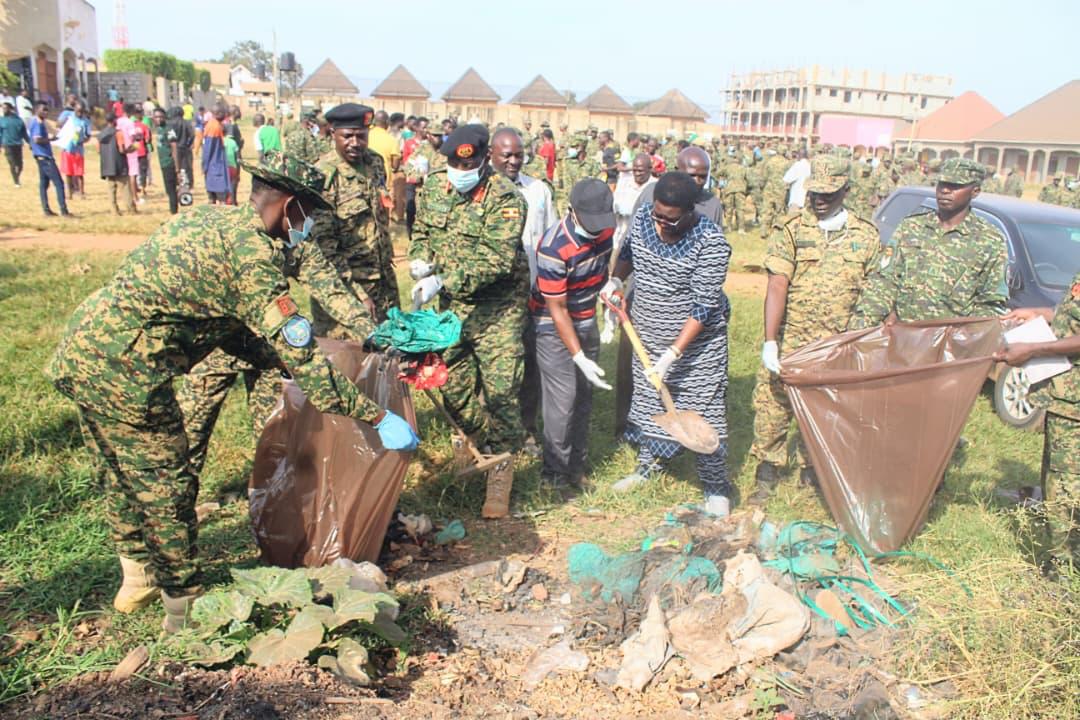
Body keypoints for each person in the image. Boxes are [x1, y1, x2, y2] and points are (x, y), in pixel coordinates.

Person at [45, 153, 418, 633]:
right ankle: (184, 612)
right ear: (289, 207)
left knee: (120, 472)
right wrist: (378, 417)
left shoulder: (211, 220)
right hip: (128, 373)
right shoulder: (253, 261)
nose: (308, 228)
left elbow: (224, 322)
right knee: (166, 485)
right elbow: (305, 360)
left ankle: (137, 578)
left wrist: (288, 355)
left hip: (85, 350)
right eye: (308, 215)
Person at [409, 124, 528, 519]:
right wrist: (420, 259)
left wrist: (443, 280)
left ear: (483, 160)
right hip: (453, 308)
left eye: (469, 164)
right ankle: (475, 441)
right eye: (455, 164)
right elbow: (422, 229)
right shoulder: (434, 186)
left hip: (499, 309)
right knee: (449, 382)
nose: (461, 171)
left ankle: (500, 475)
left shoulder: (507, 198)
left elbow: (496, 260)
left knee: (501, 394)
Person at [750, 155, 882, 500]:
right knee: (773, 406)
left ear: (846, 190)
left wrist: (860, 341)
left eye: (829, 194)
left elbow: (874, 292)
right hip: (792, 338)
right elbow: (777, 284)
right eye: (815, 193)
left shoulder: (866, 235)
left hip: (837, 345)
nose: (820, 200)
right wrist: (770, 341)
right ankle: (767, 470)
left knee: (827, 409)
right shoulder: (792, 228)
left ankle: (812, 472)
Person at [603, 172, 733, 515]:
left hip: (697, 348)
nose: (662, 225)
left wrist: (672, 355)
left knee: (704, 413)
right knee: (651, 406)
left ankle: (716, 488)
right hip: (647, 335)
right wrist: (616, 279)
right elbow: (628, 252)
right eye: (658, 215)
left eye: (671, 220)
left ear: (691, 212)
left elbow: (703, 307)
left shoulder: (711, 243)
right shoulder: (644, 219)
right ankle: (648, 469)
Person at [851, 158, 1007, 328]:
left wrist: (963, 336)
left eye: (955, 186)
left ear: (975, 191)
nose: (945, 191)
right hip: (902, 334)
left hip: (951, 339)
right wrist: (862, 328)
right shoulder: (911, 227)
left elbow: (990, 303)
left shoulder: (989, 240)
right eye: (942, 184)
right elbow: (883, 282)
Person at [530, 178, 615, 490]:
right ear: (571, 211)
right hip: (552, 325)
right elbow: (557, 310)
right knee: (562, 400)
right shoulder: (553, 247)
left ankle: (576, 469)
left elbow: (601, 273)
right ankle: (553, 475)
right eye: (589, 222)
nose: (595, 229)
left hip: (585, 318)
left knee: (583, 397)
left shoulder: (605, 230)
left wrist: (610, 291)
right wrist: (578, 356)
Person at [994, 278, 1080, 575]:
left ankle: (1066, 571)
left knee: (1067, 489)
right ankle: (1060, 561)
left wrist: (1033, 349)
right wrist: (1042, 314)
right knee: (1054, 480)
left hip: (1075, 408)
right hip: (1065, 400)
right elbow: (1072, 316)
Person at [488, 128, 557, 455]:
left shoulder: (538, 190)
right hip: (494, 299)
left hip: (532, 295)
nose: (514, 161)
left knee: (531, 365)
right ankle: (491, 431)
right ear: (491, 155)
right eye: (507, 155)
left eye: (519, 155)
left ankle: (527, 430)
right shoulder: (480, 191)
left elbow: (551, 241)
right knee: (496, 369)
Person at [311, 103, 397, 327]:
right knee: (348, 349)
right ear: (333, 133)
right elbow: (323, 249)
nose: (355, 143)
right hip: (346, 289)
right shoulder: (323, 175)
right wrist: (357, 295)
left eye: (361, 136)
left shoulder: (375, 162)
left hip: (382, 282)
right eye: (347, 136)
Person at [28, 102, 70, 217]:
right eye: (44, 110)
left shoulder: (39, 123)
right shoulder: (37, 124)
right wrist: (51, 139)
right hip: (45, 157)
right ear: (37, 110)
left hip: (40, 156)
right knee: (59, 183)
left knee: (44, 184)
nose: (46, 112)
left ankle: (46, 210)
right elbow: (37, 140)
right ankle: (63, 210)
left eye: (47, 110)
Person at [99, 111, 137, 214]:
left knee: (111, 188)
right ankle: (131, 209)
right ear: (114, 121)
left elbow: (99, 150)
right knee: (125, 187)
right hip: (119, 163)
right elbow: (121, 149)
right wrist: (132, 149)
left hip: (107, 165)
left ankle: (114, 210)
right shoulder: (118, 133)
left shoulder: (101, 134)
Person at [201, 102, 231, 204]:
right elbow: (208, 150)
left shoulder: (216, 125)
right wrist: (205, 166)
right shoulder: (213, 127)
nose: (225, 115)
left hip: (216, 167)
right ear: (218, 113)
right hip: (214, 168)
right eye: (224, 113)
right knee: (219, 199)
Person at [153, 107, 180, 214]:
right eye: (156, 117)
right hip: (163, 163)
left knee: (171, 190)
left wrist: (177, 168)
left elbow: (174, 147)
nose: (158, 119)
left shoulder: (169, 129)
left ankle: (174, 212)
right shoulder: (159, 129)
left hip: (170, 163)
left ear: (164, 117)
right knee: (168, 190)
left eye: (161, 117)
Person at [0, 101, 29, 186]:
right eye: (2, 108)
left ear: (10, 109)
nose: (3, 110)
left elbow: (24, 133)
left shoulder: (18, 120)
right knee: (12, 163)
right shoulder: (1, 120)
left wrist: (30, 143)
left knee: (20, 165)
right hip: (7, 145)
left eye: (5, 108)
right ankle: (16, 182)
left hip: (18, 144)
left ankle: (17, 176)